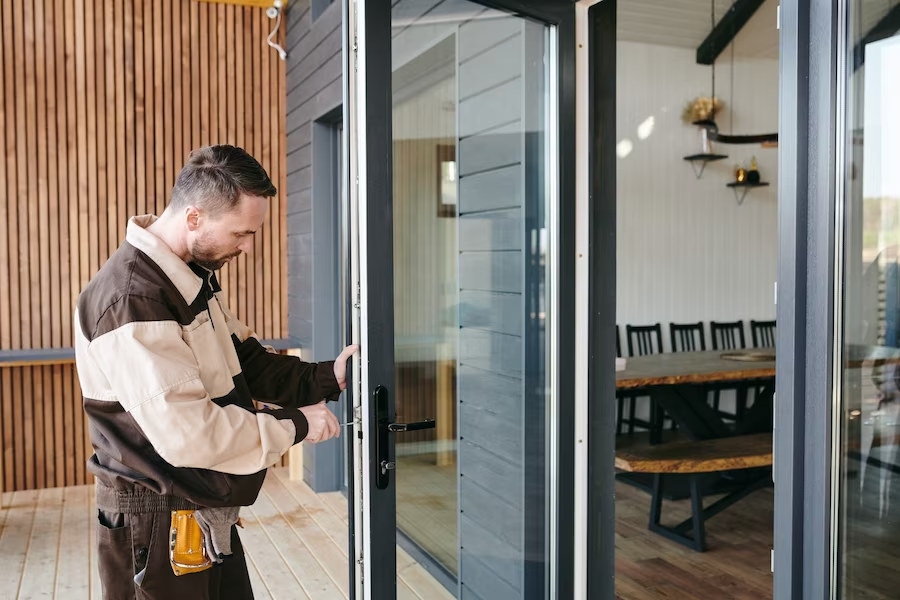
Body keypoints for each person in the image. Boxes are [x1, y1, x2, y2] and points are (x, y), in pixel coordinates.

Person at [74, 144, 356, 599]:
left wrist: (327, 377)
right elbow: (191, 434)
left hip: (198, 505)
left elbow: (242, 360)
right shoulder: (132, 299)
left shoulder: (188, 277)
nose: (246, 247)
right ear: (194, 218)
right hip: (156, 519)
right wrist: (297, 424)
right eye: (240, 233)